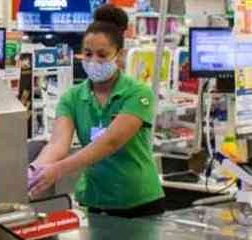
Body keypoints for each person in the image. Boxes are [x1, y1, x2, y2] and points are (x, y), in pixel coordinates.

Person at [28, 20, 165, 217]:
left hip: (138, 200)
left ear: (119, 55)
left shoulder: (138, 93)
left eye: (102, 55)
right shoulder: (72, 97)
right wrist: (35, 171)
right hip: (96, 199)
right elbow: (58, 144)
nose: (93, 61)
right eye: (87, 53)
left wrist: (58, 169)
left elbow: (110, 142)